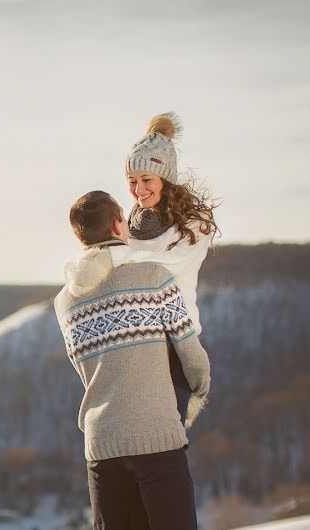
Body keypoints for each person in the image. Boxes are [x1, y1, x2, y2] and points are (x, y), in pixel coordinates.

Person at [53, 190, 211, 530]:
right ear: (116, 224)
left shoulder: (64, 302)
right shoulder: (152, 277)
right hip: (154, 435)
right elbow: (189, 349)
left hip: (101, 443)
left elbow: (86, 366)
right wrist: (199, 387)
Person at [122, 111, 219, 427]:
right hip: (134, 344)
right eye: (132, 182)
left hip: (175, 346)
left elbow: (159, 272)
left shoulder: (194, 224)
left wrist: (116, 261)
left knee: (167, 443)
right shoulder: (128, 227)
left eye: (146, 180)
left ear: (167, 178)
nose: (139, 190)